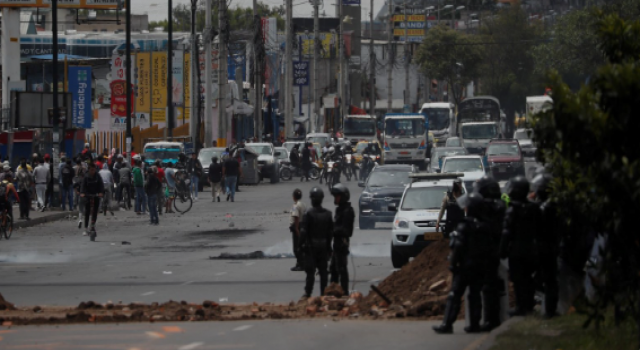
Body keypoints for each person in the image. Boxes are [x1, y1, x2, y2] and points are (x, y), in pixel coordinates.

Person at [433, 193, 490, 334]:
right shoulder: (484, 226)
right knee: (475, 295)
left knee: (455, 295)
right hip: (479, 266)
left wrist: (453, 264)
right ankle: (475, 324)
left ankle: (447, 324)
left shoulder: (464, 226)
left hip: (464, 267)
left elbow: (457, 247)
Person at [499, 176, 542, 316]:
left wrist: (502, 250)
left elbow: (506, 232)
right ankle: (529, 305)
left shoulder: (512, 210)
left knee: (518, 280)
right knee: (529, 279)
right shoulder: (534, 208)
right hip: (532, 249)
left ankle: (521, 306)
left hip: (517, 251)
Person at [473, 175, 506, 332]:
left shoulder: (489, 208)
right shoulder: (500, 206)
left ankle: (490, 320)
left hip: (488, 250)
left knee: (488, 288)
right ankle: (491, 319)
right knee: (491, 286)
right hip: (493, 250)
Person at [531, 173, 559, 318]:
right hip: (549, 246)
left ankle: (548, 310)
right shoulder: (553, 206)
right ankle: (549, 309)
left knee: (546, 279)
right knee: (549, 279)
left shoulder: (541, 208)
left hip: (542, 247)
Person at [300, 187, 334, 297]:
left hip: (311, 247)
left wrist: (300, 245)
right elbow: (330, 234)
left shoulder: (308, 214)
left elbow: (303, 232)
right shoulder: (328, 214)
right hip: (323, 247)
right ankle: (323, 294)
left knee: (310, 273)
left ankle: (308, 293)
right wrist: (329, 248)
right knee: (323, 273)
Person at [329, 184, 355, 295]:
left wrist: (333, 229)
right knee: (333, 269)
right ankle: (333, 292)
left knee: (342, 269)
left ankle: (344, 292)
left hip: (342, 244)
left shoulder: (348, 211)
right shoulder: (339, 210)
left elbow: (347, 231)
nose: (335, 199)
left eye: (337, 196)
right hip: (336, 244)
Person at [80, 163, 105, 237]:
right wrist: (82, 193)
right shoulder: (86, 177)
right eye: (91, 170)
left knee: (95, 211)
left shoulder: (98, 176)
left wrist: (101, 192)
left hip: (96, 195)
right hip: (87, 195)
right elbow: (83, 186)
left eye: (94, 170)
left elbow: (101, 185)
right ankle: (85, 228)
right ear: (89, 170)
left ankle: (92, 225)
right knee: (87, 211)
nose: (92, 171)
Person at [289, 189, 307, 271]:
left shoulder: (295, 206)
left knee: (296, 247)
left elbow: (296, 217)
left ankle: (301, 264)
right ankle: (299, 263)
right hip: (302, 225)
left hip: (297, 226)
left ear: (293, 197)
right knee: (301, 245)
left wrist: (296, 228)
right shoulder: (303, 204)